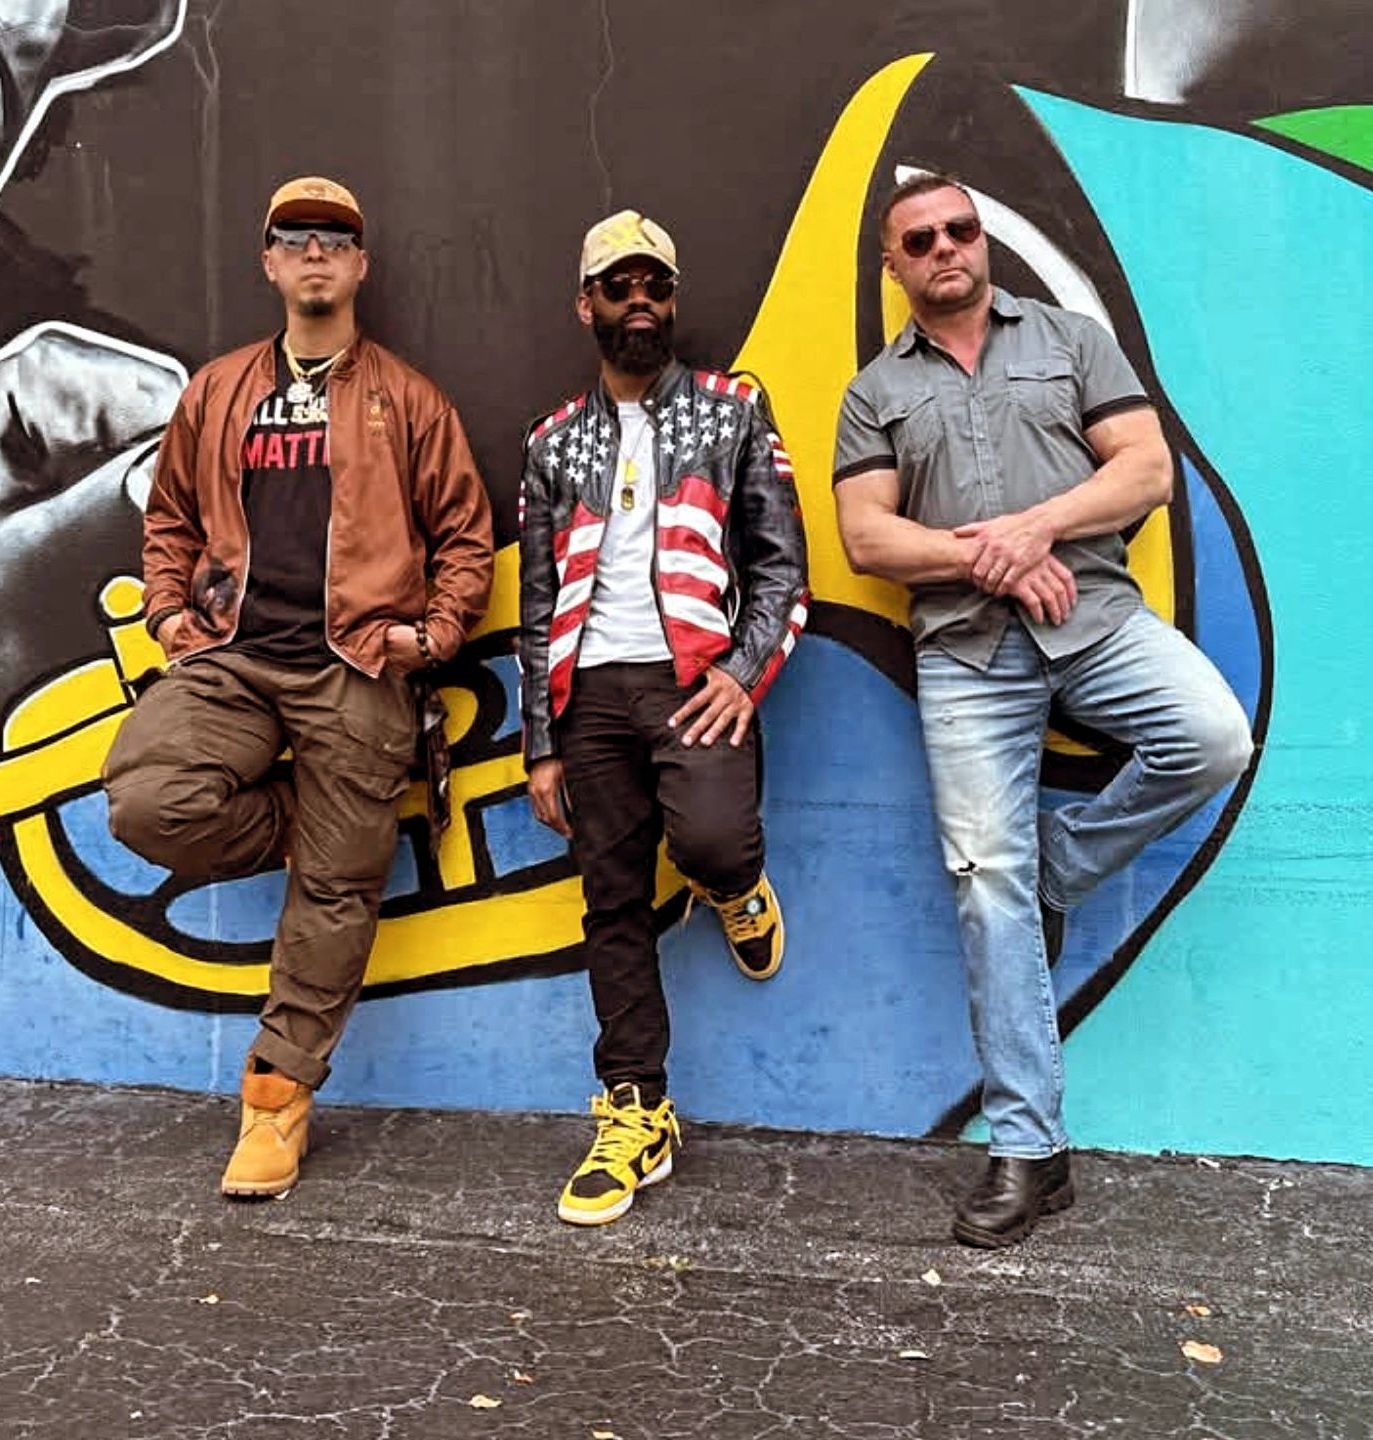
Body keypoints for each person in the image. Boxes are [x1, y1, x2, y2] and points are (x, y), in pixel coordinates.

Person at [833, 173, 1253, 1248]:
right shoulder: (876, 391)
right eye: (920, 239)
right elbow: (868, 538)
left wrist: (1037, 529)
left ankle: (1059, 866)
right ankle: (1029, 1148)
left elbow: (1145, 471)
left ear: (982, 241)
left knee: (1213, 736)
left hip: (1095, 617)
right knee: (986, 886)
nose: (945, 247)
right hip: (967, 655)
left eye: (959, 229)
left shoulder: (1071, 341)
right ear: (894, 264)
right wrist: (995, 559)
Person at [102, 176, 494, 1197]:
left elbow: (466, 534)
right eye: (295, 238)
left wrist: (433, 634)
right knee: (147, 799)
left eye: (335, 239)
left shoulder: (409, 399)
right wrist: (167, 612)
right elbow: (169, 515)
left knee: (335, 895)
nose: (315, 252)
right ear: (269, 263)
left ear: (360, 266)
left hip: (356, 663)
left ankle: (275, 1102)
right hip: (232, 654)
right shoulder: (218, 390)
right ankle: (317, 821)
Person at [519, 210, 810, 1226]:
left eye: (656, 285)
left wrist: (742, 671)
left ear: (673, 301)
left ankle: (734, 889)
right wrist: (541, 742)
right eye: (619, 286)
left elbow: (783, 567)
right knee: (612, 900)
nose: (639, 300)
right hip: (589, 697)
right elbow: (537, 603)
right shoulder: (551, 442)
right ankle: (635, 1110)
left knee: (714, 840)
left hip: (695, 682)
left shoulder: (734, 411)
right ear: (586, 306)